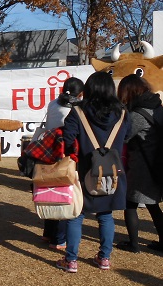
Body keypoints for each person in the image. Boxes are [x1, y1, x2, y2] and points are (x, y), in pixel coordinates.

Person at [57, 71, 130, 273]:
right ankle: (104, 258)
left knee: (77, 214)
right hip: (112, 172)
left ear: (88, 89)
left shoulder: (78, 112)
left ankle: (71, 260)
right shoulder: (123, 113)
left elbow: (68, 139)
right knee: (106, 215)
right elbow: (127, 137)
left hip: (84, 171)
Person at [116, 74, 163, 253]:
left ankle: (133, 244)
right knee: (152, 205)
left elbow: (125, 137)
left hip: (142, 166)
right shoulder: (158, 108)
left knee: (130, 204)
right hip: (157, 163)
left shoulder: (138, 114)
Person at [42, 77, 84, 249]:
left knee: (50, 191)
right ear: (81, 94)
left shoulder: (53, 104)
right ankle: (59, 239)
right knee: (65, 194)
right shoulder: (76, 109)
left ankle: (48, 233)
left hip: (48, 151)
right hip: (65, 155)